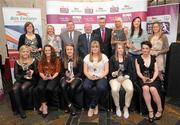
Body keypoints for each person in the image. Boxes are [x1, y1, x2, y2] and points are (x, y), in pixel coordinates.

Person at [135, 41, 163, 122]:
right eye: (143, 48)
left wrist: (152, 79)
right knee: (145, 88)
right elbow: (138, 72)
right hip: (142, 78)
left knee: (153, 89)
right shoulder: (138, 59)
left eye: (147, 48)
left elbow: (156, 71)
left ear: (150, 49)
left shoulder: (154, 58)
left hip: (153, 78)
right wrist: (143, 78)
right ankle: (150, 110)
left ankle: (160, 109)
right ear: (141, 49)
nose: (145, 50)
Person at [83, 41, 109, 117]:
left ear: (99, 48)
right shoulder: (87, 57)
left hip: (101, 76)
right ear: (90, 48)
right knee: (85, 86)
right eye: (93, 47)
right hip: (90, 76)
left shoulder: (104, 56)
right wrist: (89, 76)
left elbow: (106, 70)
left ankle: (92, 106)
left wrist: (101, 76)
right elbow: (85, 70)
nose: (94, 48)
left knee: (101, 87)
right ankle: (96, 103)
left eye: (96, 47)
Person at [109, 43, 133, 119]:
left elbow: (130, 71)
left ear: (124, 49)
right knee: (115, 89)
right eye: (119, 48)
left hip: (125, 78)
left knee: (130, 89)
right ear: (116, 49)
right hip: (115, 78)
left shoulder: (128, 58)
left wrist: (124, 77)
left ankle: (126, 107)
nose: (120, 50)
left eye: (122, 48)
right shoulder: (112, 58)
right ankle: (117, 107)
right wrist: (115, 74)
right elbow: (110, 71)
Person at [13, 45, 38, 119]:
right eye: (23, 52)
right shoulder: (17, 62)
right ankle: (20, 109)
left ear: (29, 52)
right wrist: (23, 76)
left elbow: (37, 73)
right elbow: (16, 75)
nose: (25, 53)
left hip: (31, 79)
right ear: (20, 52)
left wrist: (33, 72)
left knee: (23, 88)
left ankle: (24, 105)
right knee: (15, 89)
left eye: (27, 51)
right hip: (21, 79)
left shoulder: (33, 60)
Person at [37, 44, 61, 118]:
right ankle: (44, 106)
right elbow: (40, 71)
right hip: (44, 77)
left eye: (49, 50)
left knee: (49, 88)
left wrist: (52, 77)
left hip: (54, 77)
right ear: (44, 51)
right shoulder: (41, 60)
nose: (47, 52)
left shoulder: (56, 60)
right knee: (40, 87)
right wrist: (43, 77)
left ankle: (43, 104)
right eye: (46, 50)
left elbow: (57, 72)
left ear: (52, 51)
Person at [60, 43, 83, 116]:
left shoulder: (78, 59)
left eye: (71, 49)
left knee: (72, 86)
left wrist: (73, 78)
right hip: (65, 77)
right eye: (67, 49)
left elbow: (80, 72)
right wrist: (65, 75)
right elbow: (61, 72)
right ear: (65, 51)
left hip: (76, 77)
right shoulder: (63, 59)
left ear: (73, 50)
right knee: (63, 85)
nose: (69, 51)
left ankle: (68, 105)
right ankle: (70, 105)